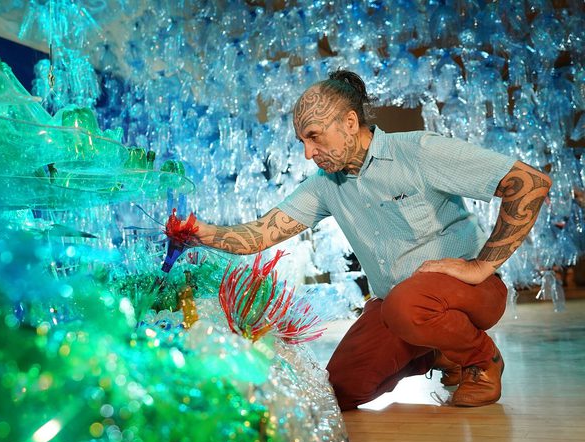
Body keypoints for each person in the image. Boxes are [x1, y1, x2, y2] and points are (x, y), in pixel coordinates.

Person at [186, 69, 552, 410]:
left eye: (314, 136)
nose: (307, 153)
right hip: (399, 308)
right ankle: (440, 353)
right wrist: (203, 233)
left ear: (349, 122)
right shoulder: (325, 186)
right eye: (302, 141)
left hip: (470, 295)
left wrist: (481, 266)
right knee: (342, 389)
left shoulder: (418, 151)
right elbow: (259, 234)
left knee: (406, 305)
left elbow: (529, 184)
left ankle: (481, 359)